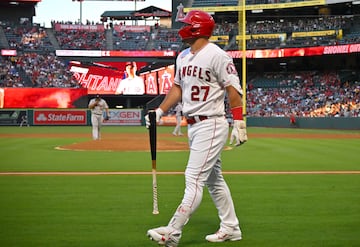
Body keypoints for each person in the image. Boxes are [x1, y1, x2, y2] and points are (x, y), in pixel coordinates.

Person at [145, 10, 248, 247]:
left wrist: (239, 121)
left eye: (186, 24)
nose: (182, 28)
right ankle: (231, 228)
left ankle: (172, 231)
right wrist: (160, 111)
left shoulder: (217, 55)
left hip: (211, 123)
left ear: (197, 28)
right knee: (214, 181)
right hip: (193, 125)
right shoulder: (182, 56)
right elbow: (178, 88)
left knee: (193, 178)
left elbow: (233, 89)